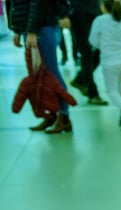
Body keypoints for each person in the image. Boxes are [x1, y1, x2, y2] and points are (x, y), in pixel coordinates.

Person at [7, 0, 75, 133]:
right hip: (31, 27)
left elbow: (38, 3)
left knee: (51, 73)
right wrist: (17, 29)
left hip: (43, 27)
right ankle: (51, 114)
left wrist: (32, 31)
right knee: (38, 74)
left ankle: (64, 115)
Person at [89, 0, 121, 128]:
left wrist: (102, 46)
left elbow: (92, 40)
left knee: (112, 90)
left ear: (103, 6)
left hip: (109, 61)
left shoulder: (100, 20)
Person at [68, 0, 108, 105]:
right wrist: (63, 14)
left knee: (100, 50)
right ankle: (93, 94)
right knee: (87, 53)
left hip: (95, 11)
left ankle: (80, 80)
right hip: (78, 13)